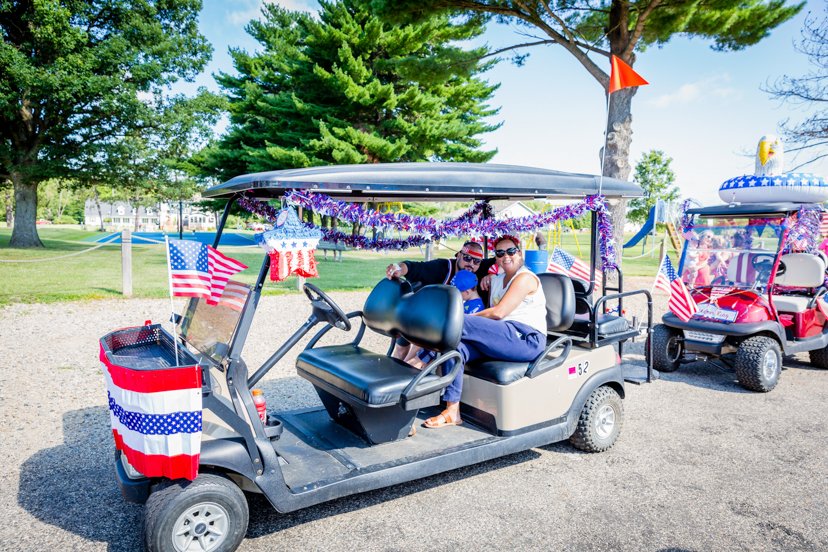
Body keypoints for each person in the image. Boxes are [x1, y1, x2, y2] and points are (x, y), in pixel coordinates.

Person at [411, 235, 547, 429]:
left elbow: (498, 313)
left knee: (456, 323)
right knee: (454, 347)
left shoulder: (525, 278)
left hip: (525, 338)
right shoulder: (496, 280)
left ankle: (418, 361)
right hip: (504, 337)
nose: (505, 256)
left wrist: (456, 320)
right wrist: (490, 278)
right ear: (496, 258)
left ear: (519, 253)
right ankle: (453, 411)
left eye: (510, 251)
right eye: (500, 253)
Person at [386, 241, 497, 359]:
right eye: (467, 258)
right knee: (401, 351)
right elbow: (415, 268)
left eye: (476, 261)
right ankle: (395, 373)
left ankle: (411, 369)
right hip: (419, 315)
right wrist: (398, 268)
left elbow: (503, 259)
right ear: (459, 255)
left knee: (423, 350)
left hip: (440, 326)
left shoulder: (476, 270)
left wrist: (494, 274)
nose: (471, 264)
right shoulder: (442, 267)